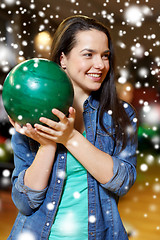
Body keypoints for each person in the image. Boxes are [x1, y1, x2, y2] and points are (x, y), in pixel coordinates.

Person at [8, 15, 138, 240]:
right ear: (63, 59)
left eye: (105, 56)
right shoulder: (33, 112)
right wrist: (47, 145)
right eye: (88, 54)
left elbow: (122, 181)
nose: (100, 64)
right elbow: (26, 203)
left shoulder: (120, 115)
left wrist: (70, 138)